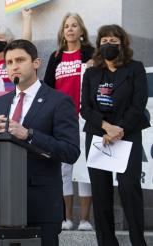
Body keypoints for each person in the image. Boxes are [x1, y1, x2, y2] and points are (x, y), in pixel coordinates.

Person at [0, 39, 80, 246]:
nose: (14, 66)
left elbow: (70, 151)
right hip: (2, 204)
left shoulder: (59, 101)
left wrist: (28, 134)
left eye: (20, 60)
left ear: (36, 63)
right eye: (9, 62)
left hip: (42, 205)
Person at [81, 24, 149, 246]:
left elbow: (138, 104)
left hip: (126, 134)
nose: (108, 44)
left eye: (113, 40)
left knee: (130, 190)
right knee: (101, 195)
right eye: (104, 41)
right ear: (99, 45)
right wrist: (106, 128)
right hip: (99, 135)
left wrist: (118, 129)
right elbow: (85, 107)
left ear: (122, 43)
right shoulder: (91, 73)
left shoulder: (135, 68)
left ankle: (138, 241)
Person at [43, 13, 94, 231]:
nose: (70, 29)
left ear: (81, 31)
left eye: (74, 26)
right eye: (66, 26)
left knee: (84, 169)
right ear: (62, 32)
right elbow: (48, 86)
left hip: (85, 117)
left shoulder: (91, 54)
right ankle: (66, 218)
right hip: (62, 119)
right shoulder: (56, 57)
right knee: (64, 169)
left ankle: (84, 219)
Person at [0, 9, 33, 92]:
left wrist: (27, 18)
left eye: (0, 37)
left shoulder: (13, 57)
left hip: (11, 96)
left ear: (8, 41)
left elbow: (26, 43)